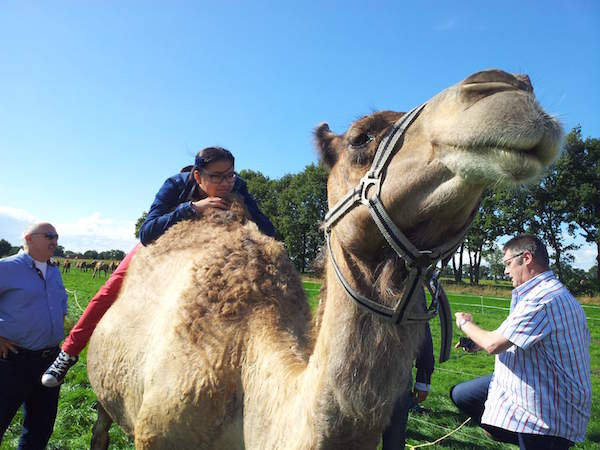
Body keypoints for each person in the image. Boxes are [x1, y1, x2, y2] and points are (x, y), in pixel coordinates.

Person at [42, 147, 275, 387]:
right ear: (197, 175)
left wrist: (247, 215)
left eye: (230, 175)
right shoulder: (175, 185)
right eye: (216, 176)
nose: (226, 182)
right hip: (162, 247)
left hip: (210, 252)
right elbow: (147, 232)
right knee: (108, 291)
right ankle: (68, 354)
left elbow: (268, 229)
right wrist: (192, 209)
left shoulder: (238, 187)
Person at [450, 234, 591, 450]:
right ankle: (506, 424)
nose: (505, 271)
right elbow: (508, 335)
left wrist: (464, 323)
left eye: (507, 263)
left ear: (526, 258)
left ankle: (532, 435)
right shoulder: (545, 292)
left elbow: (493, 344)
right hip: (537, 382)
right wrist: (476, 342)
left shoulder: (542, 298)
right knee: (463, 395)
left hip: (547, 405)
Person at [0, 223, 68, 449]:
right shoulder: (6, 267)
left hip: (50, 361)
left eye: (56, 236)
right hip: (13, 360)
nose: (55, 240)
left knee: (40, 428)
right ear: (29, 239)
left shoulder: (54, 270)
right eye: (49, 235)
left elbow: (61, 303)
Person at [382, 290, 435, 450]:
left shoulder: (411, 281)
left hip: (398, 373)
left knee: (394, 439)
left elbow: (422, 328)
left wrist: (423, 377)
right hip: (359, 373)